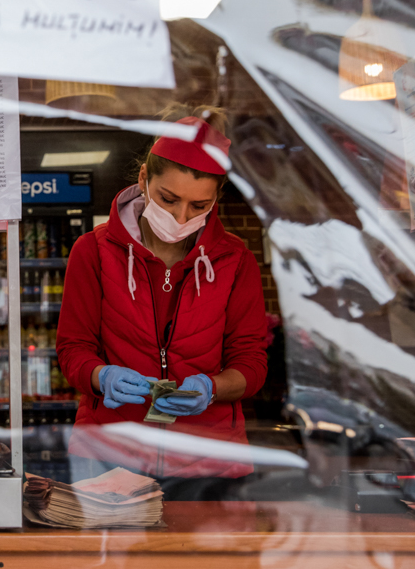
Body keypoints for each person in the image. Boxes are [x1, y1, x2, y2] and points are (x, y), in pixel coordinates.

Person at [56, 106, 269, 496]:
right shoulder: (93, 251)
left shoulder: (235, 260)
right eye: (169, 199)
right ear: (144, 179)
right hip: (108, 453)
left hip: (209, 460)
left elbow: (251, 362)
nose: (181, 215)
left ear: (216, 198)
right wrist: (101, 377)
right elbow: (73, 350)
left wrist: (213, 387)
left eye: (199, 206)